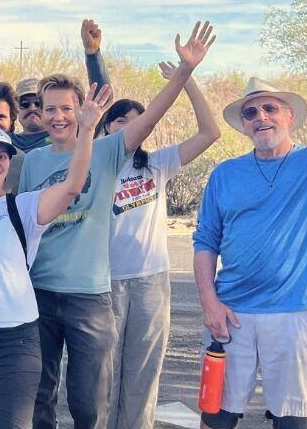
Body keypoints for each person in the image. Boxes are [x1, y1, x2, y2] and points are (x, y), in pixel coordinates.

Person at [20, 21, 215, 429]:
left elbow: (152, 117)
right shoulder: (32, 162)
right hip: (39, 293)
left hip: (88, 296)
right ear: (38, 112)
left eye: (66, 108)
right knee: (39, 395)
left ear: (82, 110)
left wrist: (185, 71)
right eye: (49, 108)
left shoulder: (108, 151)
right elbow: (25, 227)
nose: (57, 116)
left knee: (90, 403)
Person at [0, 80, 106, 428]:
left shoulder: (25, 209)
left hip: (13, 341)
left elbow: (73, 185)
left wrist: (86, 130)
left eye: (2, 156)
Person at [194, 77, 307, 429]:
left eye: (270, 108)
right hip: (231, 314)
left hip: (296, 314)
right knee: (216, 414)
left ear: (290, 117)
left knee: (290, 418)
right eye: (250, 112)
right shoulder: (225, 174)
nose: (261, 117)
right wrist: (209, 302)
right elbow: (206, 240)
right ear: (244, 125)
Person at [102, 62, 220, 429]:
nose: (130, 126)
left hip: (151, 281)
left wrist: (187, 80)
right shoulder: (93, 166)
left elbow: (210, 132)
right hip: (104, 284)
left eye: (138, 120)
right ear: (107, 126)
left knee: (142, 376)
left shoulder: (157, 164)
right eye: (121, 120)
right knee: (104, 379)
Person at [12, 19, 111, 152]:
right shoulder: (5, 142)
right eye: (24, 103)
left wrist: (92, 54)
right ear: (15, 109)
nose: (32, 108)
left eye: (38, 103)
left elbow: (102, 100)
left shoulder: (68, 134)